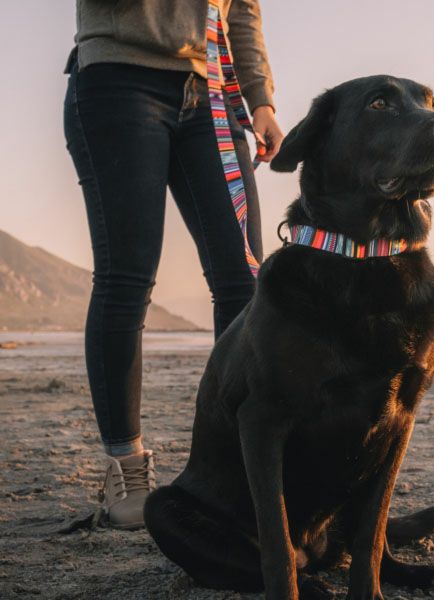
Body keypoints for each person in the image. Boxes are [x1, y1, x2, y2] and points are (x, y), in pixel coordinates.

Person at [63, 0, 283, 529]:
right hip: (119, 79)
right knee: (127, 277)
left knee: (244, 279)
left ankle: (236, 459)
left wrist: (261, 102)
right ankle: (126, 464)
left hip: (210, 94)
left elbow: (242, 13)